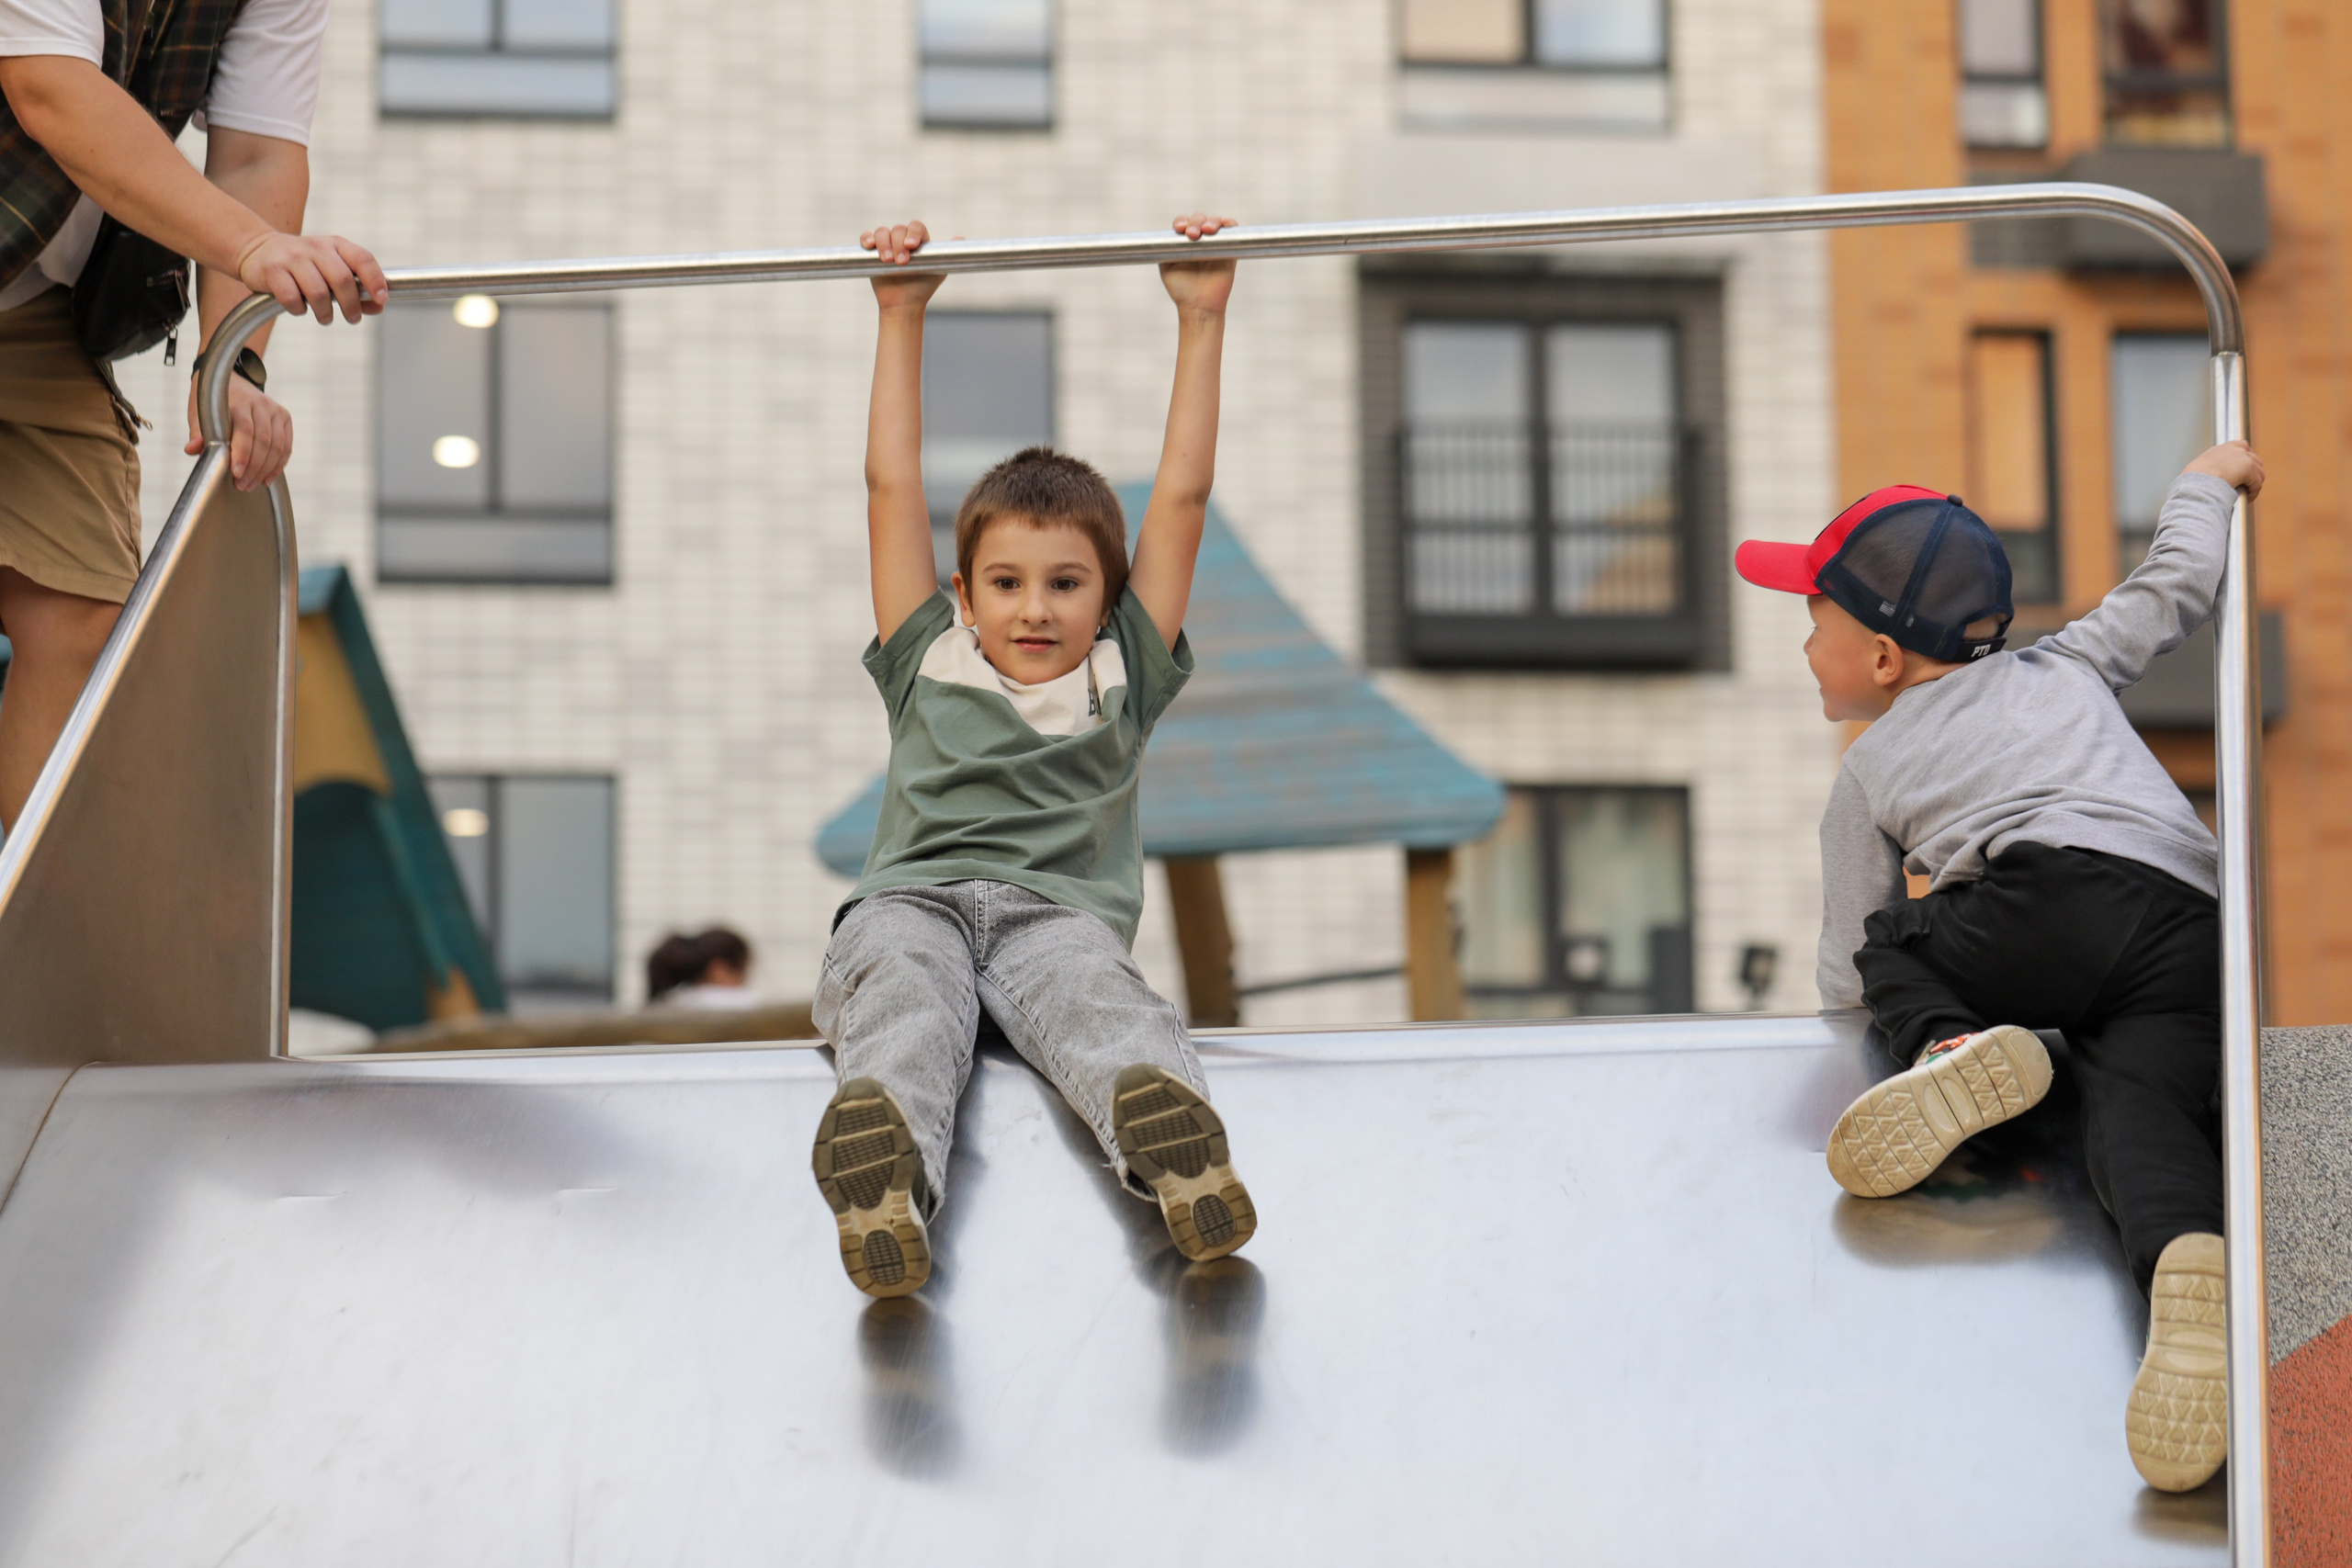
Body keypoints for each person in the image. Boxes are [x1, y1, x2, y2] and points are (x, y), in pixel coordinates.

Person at [1735, 441, 2264, 1494]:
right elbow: (2175, 586)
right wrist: (2205, 483)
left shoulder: (1867, 771)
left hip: (2049, 903)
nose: (1803, 644)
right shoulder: (2068, 662)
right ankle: (2182, 1254)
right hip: (2189, 925)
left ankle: (1952, 1051)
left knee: (1892, 943)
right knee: (2138, 1114)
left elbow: (1846, 971)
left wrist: (1877, 1048)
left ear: (1881, 659)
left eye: (1813, 623)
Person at [808, 213, 1255, 1299]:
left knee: (1101, 1003)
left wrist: (1201, 316)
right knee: (903, 997)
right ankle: (886, 1180)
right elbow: (890, 488)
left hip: (1053, 918)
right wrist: (900, 314)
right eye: (1006, 584)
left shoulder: (1125, 671)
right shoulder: (927, 653)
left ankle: (1174, 1149)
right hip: (912, 901)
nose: (1035, 609)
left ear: (1108, 599)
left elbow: (1183, 498)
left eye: (1065, 584)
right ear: (965, 594)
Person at [0, 0, 385, 830]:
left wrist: (231, 361)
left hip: (29, 307)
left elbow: (256, 155)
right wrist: (251, 248)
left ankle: (59, 915)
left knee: (85, 615)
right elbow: (48, 87)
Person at [645, 926, 757, 1009]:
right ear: (719, 969)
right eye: (743, 971)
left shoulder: (667, 1003)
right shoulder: (742, 1004)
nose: (744, 982)